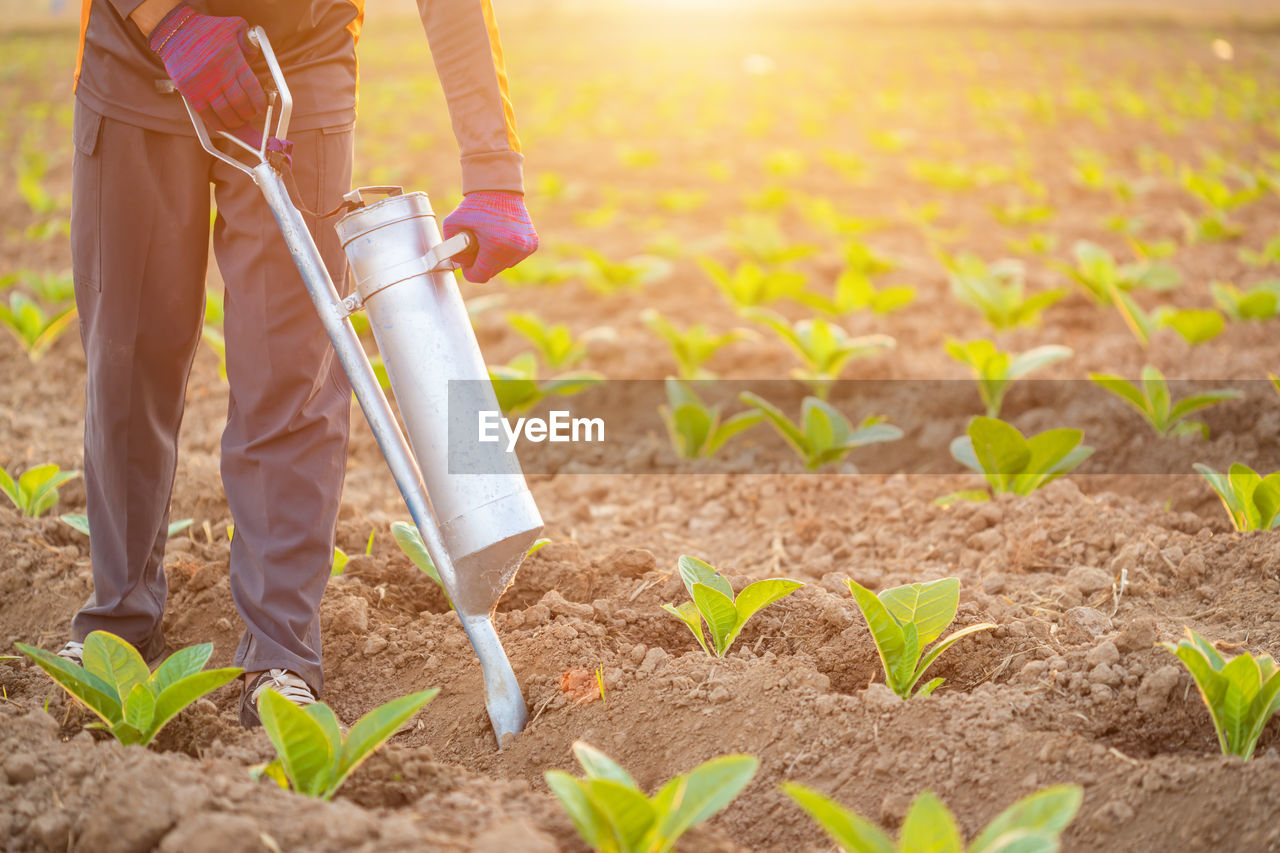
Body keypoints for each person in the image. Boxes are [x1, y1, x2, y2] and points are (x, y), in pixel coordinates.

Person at [57, 0, 538, 726]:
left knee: (292, 369)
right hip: (138, 64)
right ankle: (118, 624)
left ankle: (282, 655)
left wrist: (494, 169)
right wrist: (163, 18)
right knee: (130, 355)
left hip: (297, 62)